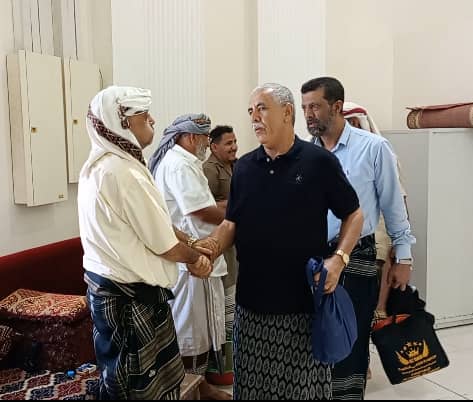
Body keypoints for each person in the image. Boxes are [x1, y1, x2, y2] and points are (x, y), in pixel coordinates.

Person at [208, 83, 364, 400]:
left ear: (287, 112)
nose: (254, 117)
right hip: (251, 307)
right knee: (251, 391)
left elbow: (354, 214)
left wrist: (338, 260)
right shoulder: (244, 168)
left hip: (300, 307)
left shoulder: (318, 162)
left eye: (262, 108)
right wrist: (210, 249)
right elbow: (230, 223)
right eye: (250, 111)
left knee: (301, 392)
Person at [78, 86, 213, 400]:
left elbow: (156, 223)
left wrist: (192, 241)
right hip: (129, 301)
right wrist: (196, 258)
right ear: (122, 122)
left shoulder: (106, 166)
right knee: (137, 386)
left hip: (120, 292)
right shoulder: (122, 173)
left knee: (138, 378)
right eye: (143, 114)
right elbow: (164, 245)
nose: (151, 120)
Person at [301, 77, 416, 400]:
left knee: (350, 340)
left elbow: (394, 207)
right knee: (312, 339)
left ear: (337, 107)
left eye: (315, 107)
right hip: (312, 258)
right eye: (304, 107)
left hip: (355, 257)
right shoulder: (304, 153)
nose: (308, 114)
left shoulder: (373, 148)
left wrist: (403, 257)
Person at [149, 114, 231, 400]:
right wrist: (237, 214)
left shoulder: (183, 161)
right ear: (191, 137)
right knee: (191, 333)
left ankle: (201, 386)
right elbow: (200, 212)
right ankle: (190, 390)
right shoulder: (180, 164)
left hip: (197, 256)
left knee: (201, 330)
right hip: (193, 261)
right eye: (205, 137)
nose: (207, 143)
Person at [342, 102, 409, 321]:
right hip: (347, 227)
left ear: (355, 122)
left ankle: (378, 314)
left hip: (377, 223)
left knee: (380, 267)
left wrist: (403, 248)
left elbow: (398, 199)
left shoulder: (380, 151)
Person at [202, 125, 239, 386]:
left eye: (235, 142)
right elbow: (204, 207)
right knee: (225, 302)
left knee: (235, 298)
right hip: (220, 244)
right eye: (228, 143)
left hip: (236, 244)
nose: (234, 147)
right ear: (214, 147)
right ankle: (222, 367)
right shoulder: (210, 170)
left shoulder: (236, 165)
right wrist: (234, 203)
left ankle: (235, 361)